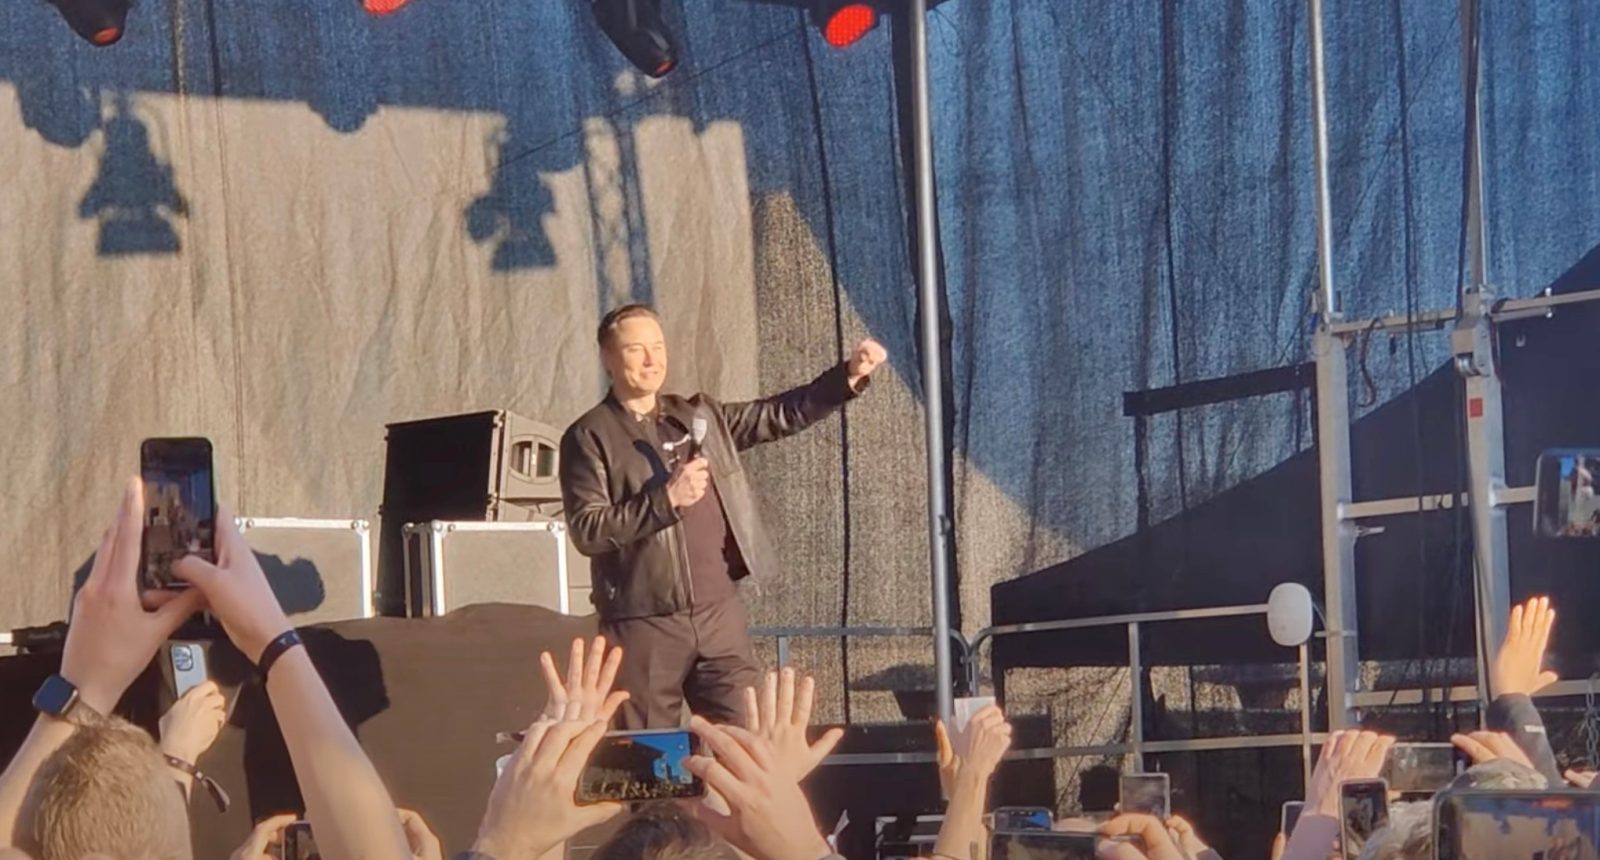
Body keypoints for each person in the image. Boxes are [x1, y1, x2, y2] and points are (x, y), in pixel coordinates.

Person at [559, 303, 887, 728]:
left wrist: (848, 376)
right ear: (608, 359)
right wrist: (666, 500)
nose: (651, 359)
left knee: (744, 741)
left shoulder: (697, 416)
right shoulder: (589, 435)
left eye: (658, 346)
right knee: (649, 755)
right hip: (643, 622)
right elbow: (588, 529)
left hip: (717, 615)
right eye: (636, 349)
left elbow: (778, 414)